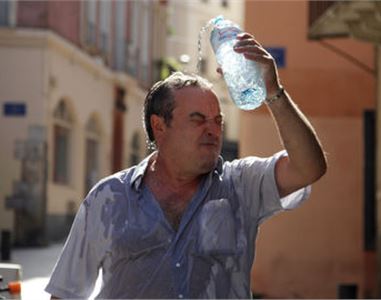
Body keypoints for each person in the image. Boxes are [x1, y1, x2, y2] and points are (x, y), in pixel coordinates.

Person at [45, 32, 327, 299]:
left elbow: (309, 168)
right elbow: (66, 293)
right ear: (159, 126)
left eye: (218, 120)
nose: (212, 130)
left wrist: (273, 92)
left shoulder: (241, 184)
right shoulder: (108, 199)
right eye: (197, 119)